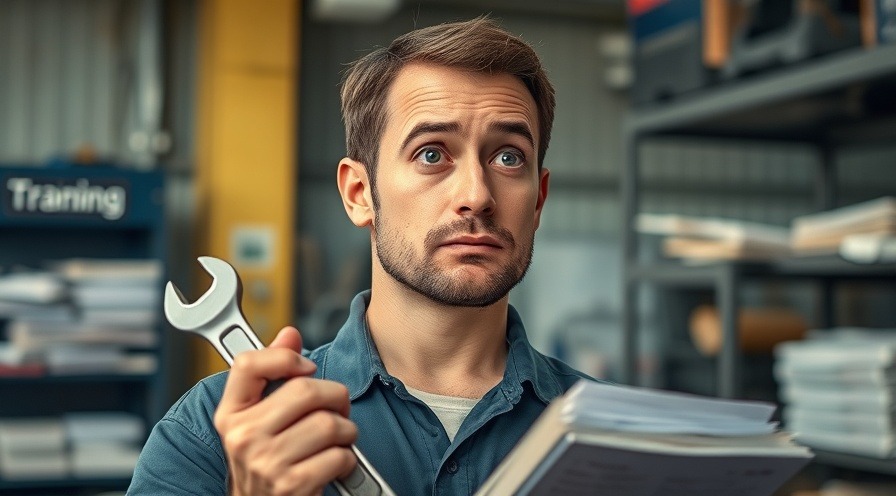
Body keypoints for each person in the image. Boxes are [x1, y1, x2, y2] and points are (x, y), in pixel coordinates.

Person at [128, 16, 595, 496]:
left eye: (509, 157)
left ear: (537, 200)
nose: (476, 195)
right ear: (358, 193)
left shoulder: (614, 438)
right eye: (432, 154)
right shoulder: (207, 436)